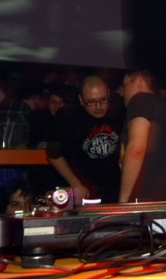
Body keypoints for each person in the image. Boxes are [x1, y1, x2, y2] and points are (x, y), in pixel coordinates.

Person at [47, 75, 122, 203]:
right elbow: (53, 155)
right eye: (91, 102)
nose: (98, 107)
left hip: (113, 189)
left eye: (103, 100)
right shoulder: (68, 118)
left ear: (109, 95)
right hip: (84, 190)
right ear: (81, 100)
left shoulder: (118, 113)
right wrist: (76, 184)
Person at [117, 69, 166, 202]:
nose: (121, 92)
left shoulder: (141, 100)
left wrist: (123, 201)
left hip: (146, 201)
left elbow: (136, 148)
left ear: (138, 81)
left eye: (125, 85)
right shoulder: (161, 106)